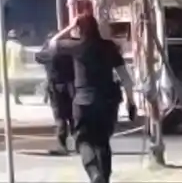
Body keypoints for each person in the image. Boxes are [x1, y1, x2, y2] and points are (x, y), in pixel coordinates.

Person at [45, 14, 137, 183]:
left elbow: (52, 44)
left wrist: (70, 26)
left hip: (83, 101)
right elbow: (125, 77)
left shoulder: (77, 46)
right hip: (107, 102)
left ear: (79, 29)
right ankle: (104, 178)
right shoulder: (109, 47)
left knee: (83, 140)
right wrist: (131, 101)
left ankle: (94, 172)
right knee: (103, 142)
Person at [35, 31, 76, 154]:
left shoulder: (49, 54)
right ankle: (80, 145)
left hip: (56, 88)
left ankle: (62, 146)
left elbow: (38, 56)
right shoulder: (70, 53)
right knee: (74, 116)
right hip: (71, 86)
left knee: (60, 117)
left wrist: (48, 45)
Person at [5, 30, 25, 104]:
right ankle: (16, 97)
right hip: (18, 68)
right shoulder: (20, 45)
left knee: (12, 83)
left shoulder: (6, 45)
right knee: (17, 84)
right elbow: (23, 58)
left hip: (9, 68)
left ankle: (14, 96)